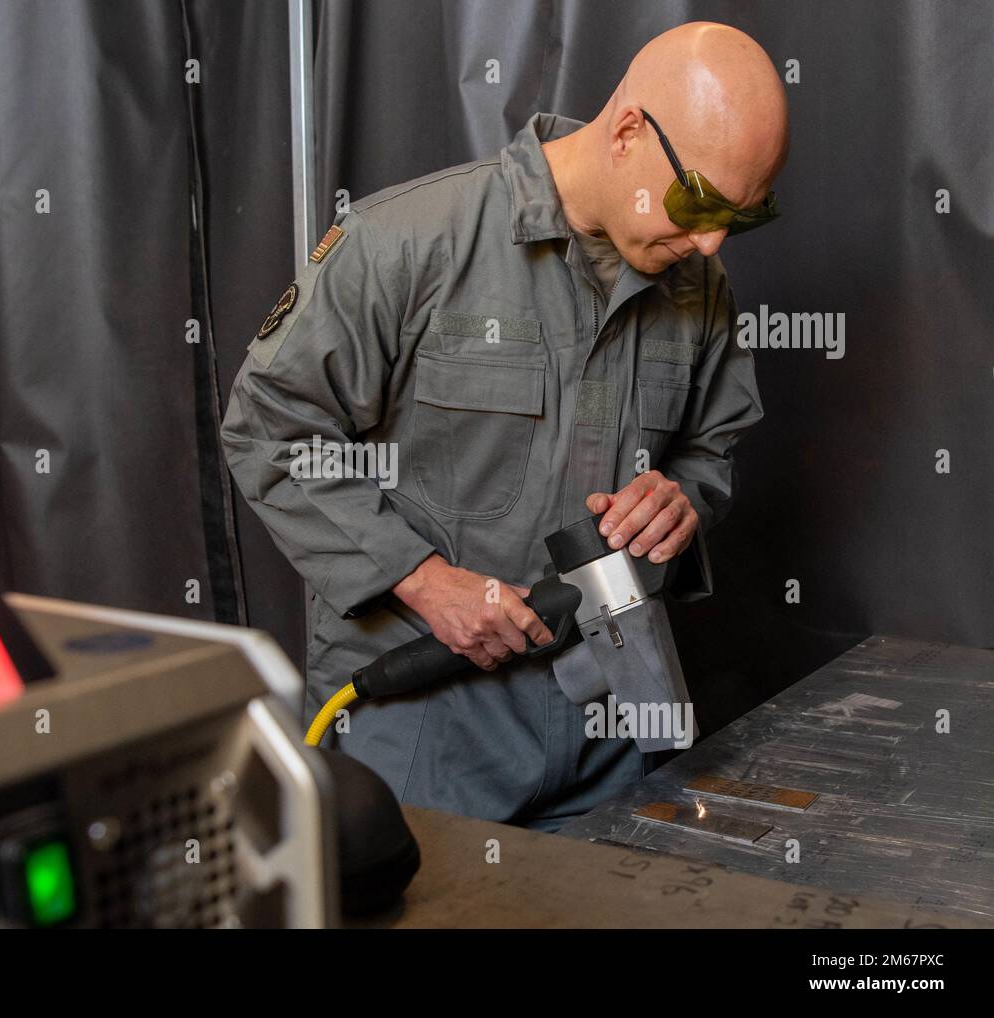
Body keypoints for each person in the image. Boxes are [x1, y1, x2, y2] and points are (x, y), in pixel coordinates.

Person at [221, 22, 788, 830]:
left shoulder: (698, 282)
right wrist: (420, 579)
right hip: (423, 720)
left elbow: (709, 449)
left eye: (743, 216)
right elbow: (265, 428)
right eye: (698, 201)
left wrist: (681, 502)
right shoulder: (407, 242)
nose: (710, 239)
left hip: (620, 719)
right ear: (629, 131)